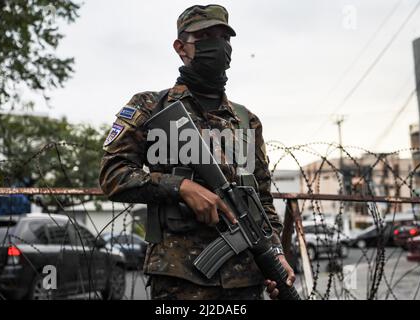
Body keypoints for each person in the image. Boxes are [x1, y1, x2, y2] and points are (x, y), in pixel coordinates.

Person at [99, 4, 295, 300]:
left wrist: (276, 253)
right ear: (181, 47)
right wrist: (180, 187)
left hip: (245, 281)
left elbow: (262, 199)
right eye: (205, 37)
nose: (218, 45)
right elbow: (113, 174)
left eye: (224, 37)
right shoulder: (151, 107)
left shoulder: (245, 120)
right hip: (181, 279)